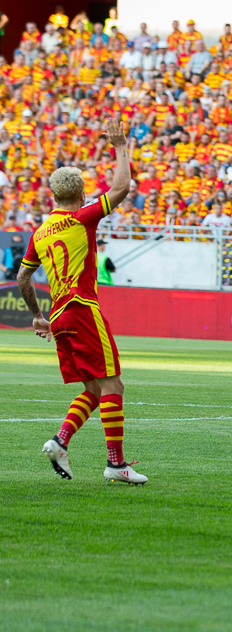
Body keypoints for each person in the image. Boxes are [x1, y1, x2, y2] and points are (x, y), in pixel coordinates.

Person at [20, 119, 147, 484]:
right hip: (82, 308)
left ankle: (60, 441)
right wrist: (120, 146)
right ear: (81, 194)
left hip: (59, 316)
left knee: (92, 388)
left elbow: (23, 278)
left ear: (53, 196)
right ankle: (116, 464)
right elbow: (121, 188)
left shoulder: (40, 233)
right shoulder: (81, 217)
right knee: (113, 386)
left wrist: (37, 316)